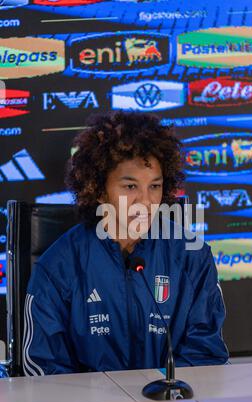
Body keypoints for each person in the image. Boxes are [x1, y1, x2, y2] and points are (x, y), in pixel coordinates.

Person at [23, 111, 228, 376]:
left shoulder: (193, 256)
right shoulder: (58, 265)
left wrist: (160, 400)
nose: (145, 201)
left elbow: (207, 357)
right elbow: (43, 368)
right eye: (130, 187)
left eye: (154, 186)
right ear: (98, 189)